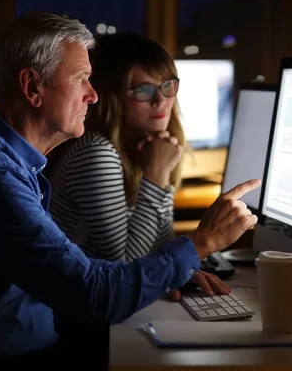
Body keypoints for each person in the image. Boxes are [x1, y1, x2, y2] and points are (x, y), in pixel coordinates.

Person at [0, 11, 260, 370]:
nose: (92, 94)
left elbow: (85, 272)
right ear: (31, 88)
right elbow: (97, 297)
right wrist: (203, 243)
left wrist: (169, 271)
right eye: (82, 79)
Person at [48, 32, 226, 297]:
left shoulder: (143, 150)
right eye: (143, 90)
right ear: (113, 97)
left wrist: (174, 271)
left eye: (168, 85)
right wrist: (156, 176)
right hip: (77, 317)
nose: (161, 100)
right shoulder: (96, 153)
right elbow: (126, 268)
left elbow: (158, 249)